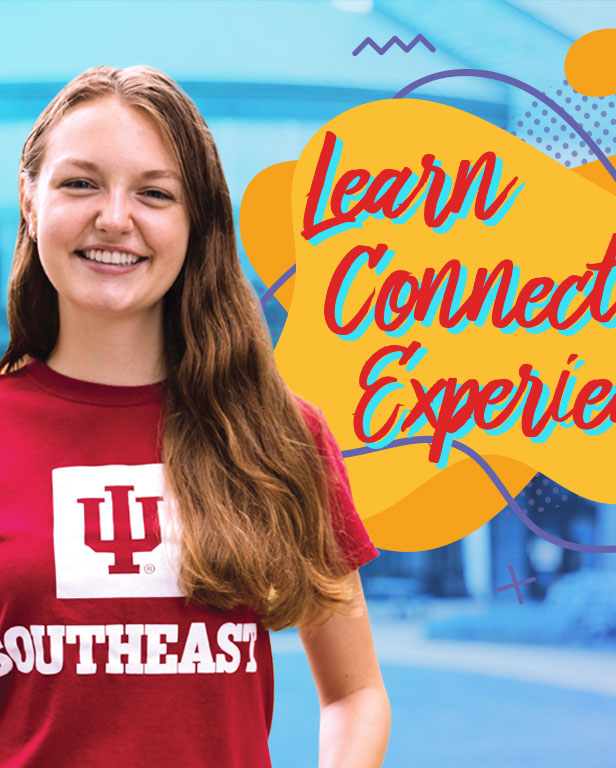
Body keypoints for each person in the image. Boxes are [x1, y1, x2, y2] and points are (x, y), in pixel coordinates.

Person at [0, 65, 390, 767]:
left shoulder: (278, 436)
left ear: (196, 221)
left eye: (154, 193)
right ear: (30, 199)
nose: (114, 218)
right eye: (80, 183)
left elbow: (354, 693)